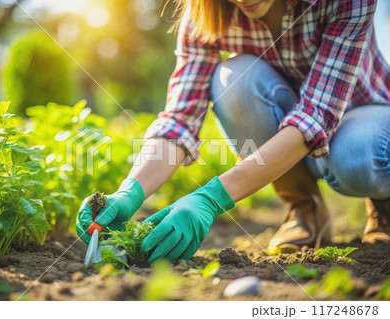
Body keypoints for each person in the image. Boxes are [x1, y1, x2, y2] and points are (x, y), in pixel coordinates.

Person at [77, 0, 390, 262]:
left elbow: (314, 116)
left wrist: (211, 199)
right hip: (288, 117)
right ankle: (304, 208)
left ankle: (383, 204)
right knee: (234, 80)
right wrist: (130, 192)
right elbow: (180, 119)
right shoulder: (206, 11)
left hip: (360, 110)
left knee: (361, 157)